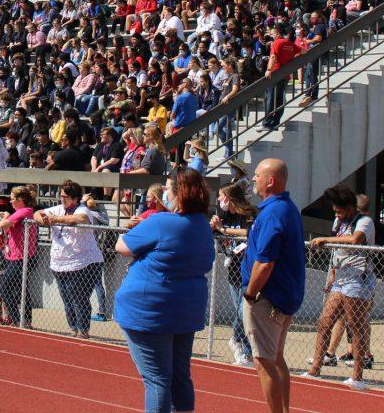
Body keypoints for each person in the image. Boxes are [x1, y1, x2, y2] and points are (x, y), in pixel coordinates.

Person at [114, 168, 214, 413]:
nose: (164, 193)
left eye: (168, 189)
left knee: (157, 379)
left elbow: (122, 246)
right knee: (180, 376)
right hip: (186, 309)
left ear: (180, 194)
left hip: (150, 310)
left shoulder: (160, 221)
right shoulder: (202, 224)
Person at [241, 158, 305, 413]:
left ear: (270, 180)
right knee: (276, 359)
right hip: (283, 295)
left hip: (267, 297)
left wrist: (250, 294)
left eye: (257, 175)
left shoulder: (274, 212)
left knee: (264, 361)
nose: (254, 179)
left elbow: (265, 262)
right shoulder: (285, 208)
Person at [301, 184, 375, 390]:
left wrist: (326, 239)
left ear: (350, 207)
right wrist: (333, 272)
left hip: (357, 280)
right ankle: (316, 368)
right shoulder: (340, 222)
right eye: (335, 210)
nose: (337, 214)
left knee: (355, 325)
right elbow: (338, 249)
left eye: (340, 210)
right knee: (325, 322)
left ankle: (357, 376)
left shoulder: (364, 221)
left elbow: (355, 239)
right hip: (340, 278)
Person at [35, 180, 105, 339]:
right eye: (61, 196)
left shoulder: (83, 210)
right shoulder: (58, 209)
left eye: (65, 197)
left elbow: (78, 219)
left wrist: (55, 220)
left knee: (78, 297)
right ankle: (73, 328)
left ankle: (83, 330)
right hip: (60, 263)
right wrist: (43, 220)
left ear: (75, 199)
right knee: (67, 299)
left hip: (84, 262)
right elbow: (37, 213)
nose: (62, 199)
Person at [211, 182, 257, 367]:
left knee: (243, 310)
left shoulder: (248, 213)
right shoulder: (223, 213)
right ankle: (245, 353)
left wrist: (224, 230)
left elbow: (248, 233)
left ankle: (236, 339)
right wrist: (214, 226)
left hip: (248, 269)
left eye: (221, 196)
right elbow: (213, 230)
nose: (219, 200)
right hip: (232, 269)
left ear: (229, 198)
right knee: (241, 312)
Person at [0, 185, 38, 327]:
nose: (10, 202)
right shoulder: (21, 212)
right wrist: (8, 218)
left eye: (13, 199)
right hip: (14, 256)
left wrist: (7, 216)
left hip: (21, 258)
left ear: (20, 200)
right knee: (20, 288)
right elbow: (7, 226)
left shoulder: (24, 211)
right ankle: (25, 320)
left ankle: (17, 318)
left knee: (4, 287)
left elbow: (3, 225)